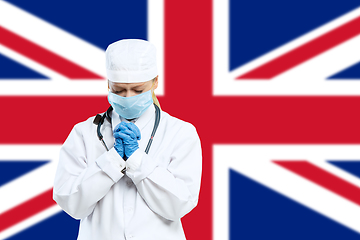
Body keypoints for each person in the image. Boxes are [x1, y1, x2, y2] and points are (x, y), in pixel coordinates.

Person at [53, 39, 202, 240]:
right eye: (119, 90)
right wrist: (112, 159)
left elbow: (180, 205)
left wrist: (137, 159)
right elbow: (71, 203)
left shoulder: (181, 132)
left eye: (138, 90)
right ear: (108, 84)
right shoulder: (84, 132)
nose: (128, 96)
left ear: (155, 81)